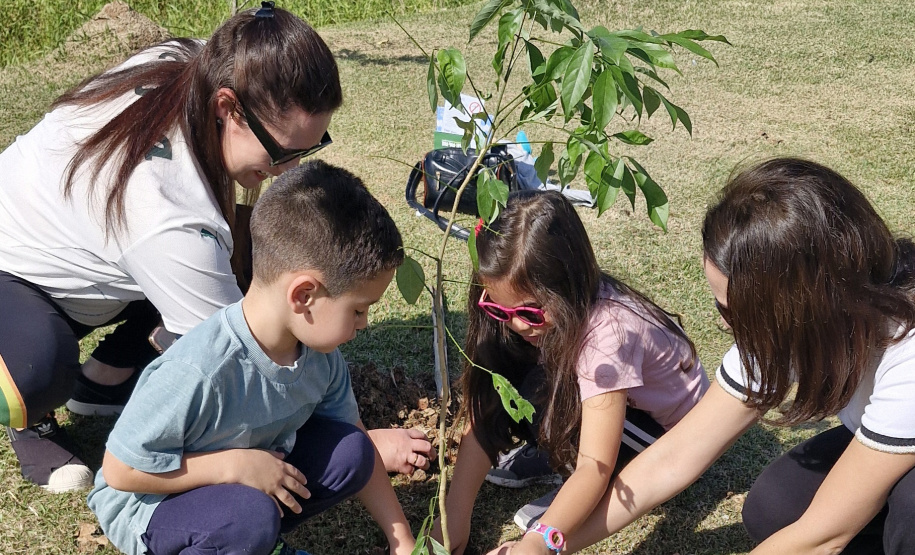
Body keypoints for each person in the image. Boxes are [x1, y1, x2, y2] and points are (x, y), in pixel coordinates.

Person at [0, 2, 430, 492]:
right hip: (14, 271)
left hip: (90, 248)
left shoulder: (205, 64)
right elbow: (238, 361)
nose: (288, 170)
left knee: (242, 260)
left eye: (308, 150)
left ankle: (103, 380)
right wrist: (360, 441)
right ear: (228, 108)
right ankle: (29, 415)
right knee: (35, 369)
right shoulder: (171, 218)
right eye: (283, 151)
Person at [529, 158, 915, 555]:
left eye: (734, 312)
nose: (728, 326)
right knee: (776, 509)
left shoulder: (907, 358)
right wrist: (545, 542)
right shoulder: (798, 326)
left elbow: (823, 536)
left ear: (801, 306)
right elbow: (673, 459)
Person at [88, 160, 416, 555]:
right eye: (359, 310)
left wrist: (403, 542)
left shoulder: (320, 357)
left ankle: (248, 535)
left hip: (243, 486)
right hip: (152, 504)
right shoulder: (199, 370)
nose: (363, 324)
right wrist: (234, 467)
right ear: (304, 296)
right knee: (250, 516)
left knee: (352, 451)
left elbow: (354, 437)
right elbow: (121, 470)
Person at [434, 190, 710, 554]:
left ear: (568, 285)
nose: (516, 325)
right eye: (499, 310)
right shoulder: (540, 320)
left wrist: (539, 541)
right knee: (509, 378)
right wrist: (453, 517)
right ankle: (557, 455)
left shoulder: (607, 335)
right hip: (615, 410)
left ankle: (566, 485)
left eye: (531, 313)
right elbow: (487, 409)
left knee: (540, 391)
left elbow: (595, 465)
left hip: (668, 440)